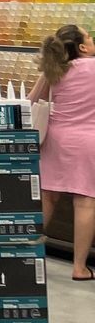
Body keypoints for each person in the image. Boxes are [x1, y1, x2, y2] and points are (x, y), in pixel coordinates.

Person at [33, 23, 95, 281]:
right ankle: (79, 267)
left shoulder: (55, 68)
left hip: (55, 138)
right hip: (88, 140)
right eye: (90, 37)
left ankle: (24, 253)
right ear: (83, 47)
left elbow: (33, 99)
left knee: (47, 198)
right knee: (85, 201)